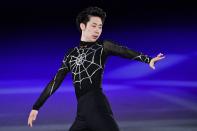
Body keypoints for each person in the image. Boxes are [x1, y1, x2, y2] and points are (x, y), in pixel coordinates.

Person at [27, 6, 165, 131]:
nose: (97, 30)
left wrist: (148, 60)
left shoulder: (103, 46)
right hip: (81, 113)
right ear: (83, 26)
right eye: (94, 26)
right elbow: (55, 81)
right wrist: (36, 107)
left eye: (100, 26)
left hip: (96, 106)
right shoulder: (71, 54)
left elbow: (124, 51)